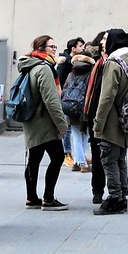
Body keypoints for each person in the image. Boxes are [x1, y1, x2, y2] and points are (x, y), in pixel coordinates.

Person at [18, 36, 69, 211]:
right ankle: (48, 198)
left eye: (55, 46)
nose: (55, 49)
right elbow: (51, 100)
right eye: (51, 46)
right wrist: (62, 125)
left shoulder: (30, 65)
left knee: (34, 158)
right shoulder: (44, 68)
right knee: (57, 157)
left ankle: (32, 197)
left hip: (32, 119)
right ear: (42, 48)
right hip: (45, 121)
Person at [93, 29, 128, 215]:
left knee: (109, 159)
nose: (103, 43)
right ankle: (122, 194)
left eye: (106, 39)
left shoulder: (113, 63)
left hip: (111, 118)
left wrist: (98, 122)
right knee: (120, 158)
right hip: (126, 116)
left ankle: (114, 198)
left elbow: (106, 96)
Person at [83, 30, 108, 204]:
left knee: (115, 155)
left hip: (109, 116)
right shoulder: (94, 64)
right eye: (104, 39)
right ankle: (97, 190)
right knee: (98, 154)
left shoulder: (115, 64)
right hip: (94, 114)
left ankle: (119, 187)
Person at [57, 37, 85, 168]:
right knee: (67, 127)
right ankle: (66, 153)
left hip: (72, 97)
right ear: (73, 49)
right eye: (80, 46)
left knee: (71, 127)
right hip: (66, 98)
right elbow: (58, 80)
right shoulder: (65, 63)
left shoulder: (77, 62)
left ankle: (76, 155)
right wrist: (63, 94)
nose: (82, 48)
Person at [65, 54, 94, 172]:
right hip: (85, 109)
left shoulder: (71, 75)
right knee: (84, 135)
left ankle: (77, 161)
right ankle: (82, 163)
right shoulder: (90, 76)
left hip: (71, 109)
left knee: (76, 136)